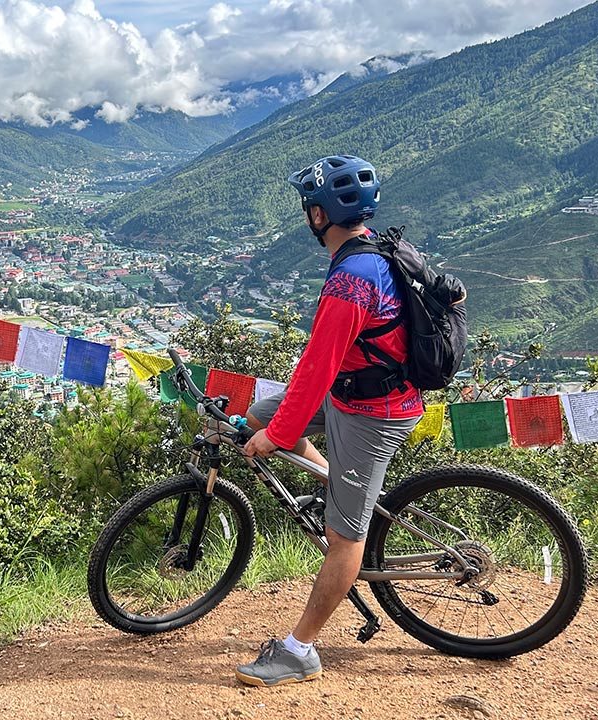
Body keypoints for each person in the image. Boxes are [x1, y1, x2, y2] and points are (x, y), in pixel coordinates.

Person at [234, 155, 423, 687]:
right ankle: (331, 487)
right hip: (352, 394)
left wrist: (280, 437)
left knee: (345, 539)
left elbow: (315, 370)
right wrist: (272, 426)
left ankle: (299, 651)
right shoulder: (378, 249)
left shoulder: (350, 283)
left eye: (307, 207)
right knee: (258, 413)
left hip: (373, 413)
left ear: (319, 215)